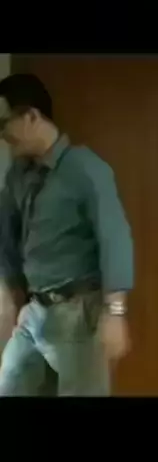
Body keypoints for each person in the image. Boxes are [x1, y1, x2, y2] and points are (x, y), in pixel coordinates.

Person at [0, 72, 133, 396]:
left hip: (79, 314)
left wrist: (115, 313)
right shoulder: (18, 176)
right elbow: (6, 234)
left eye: (3, 123)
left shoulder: (85, 168)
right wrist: (9, 295)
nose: (2, 135)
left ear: (31, 117)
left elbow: (114, 238)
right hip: (35, 312)